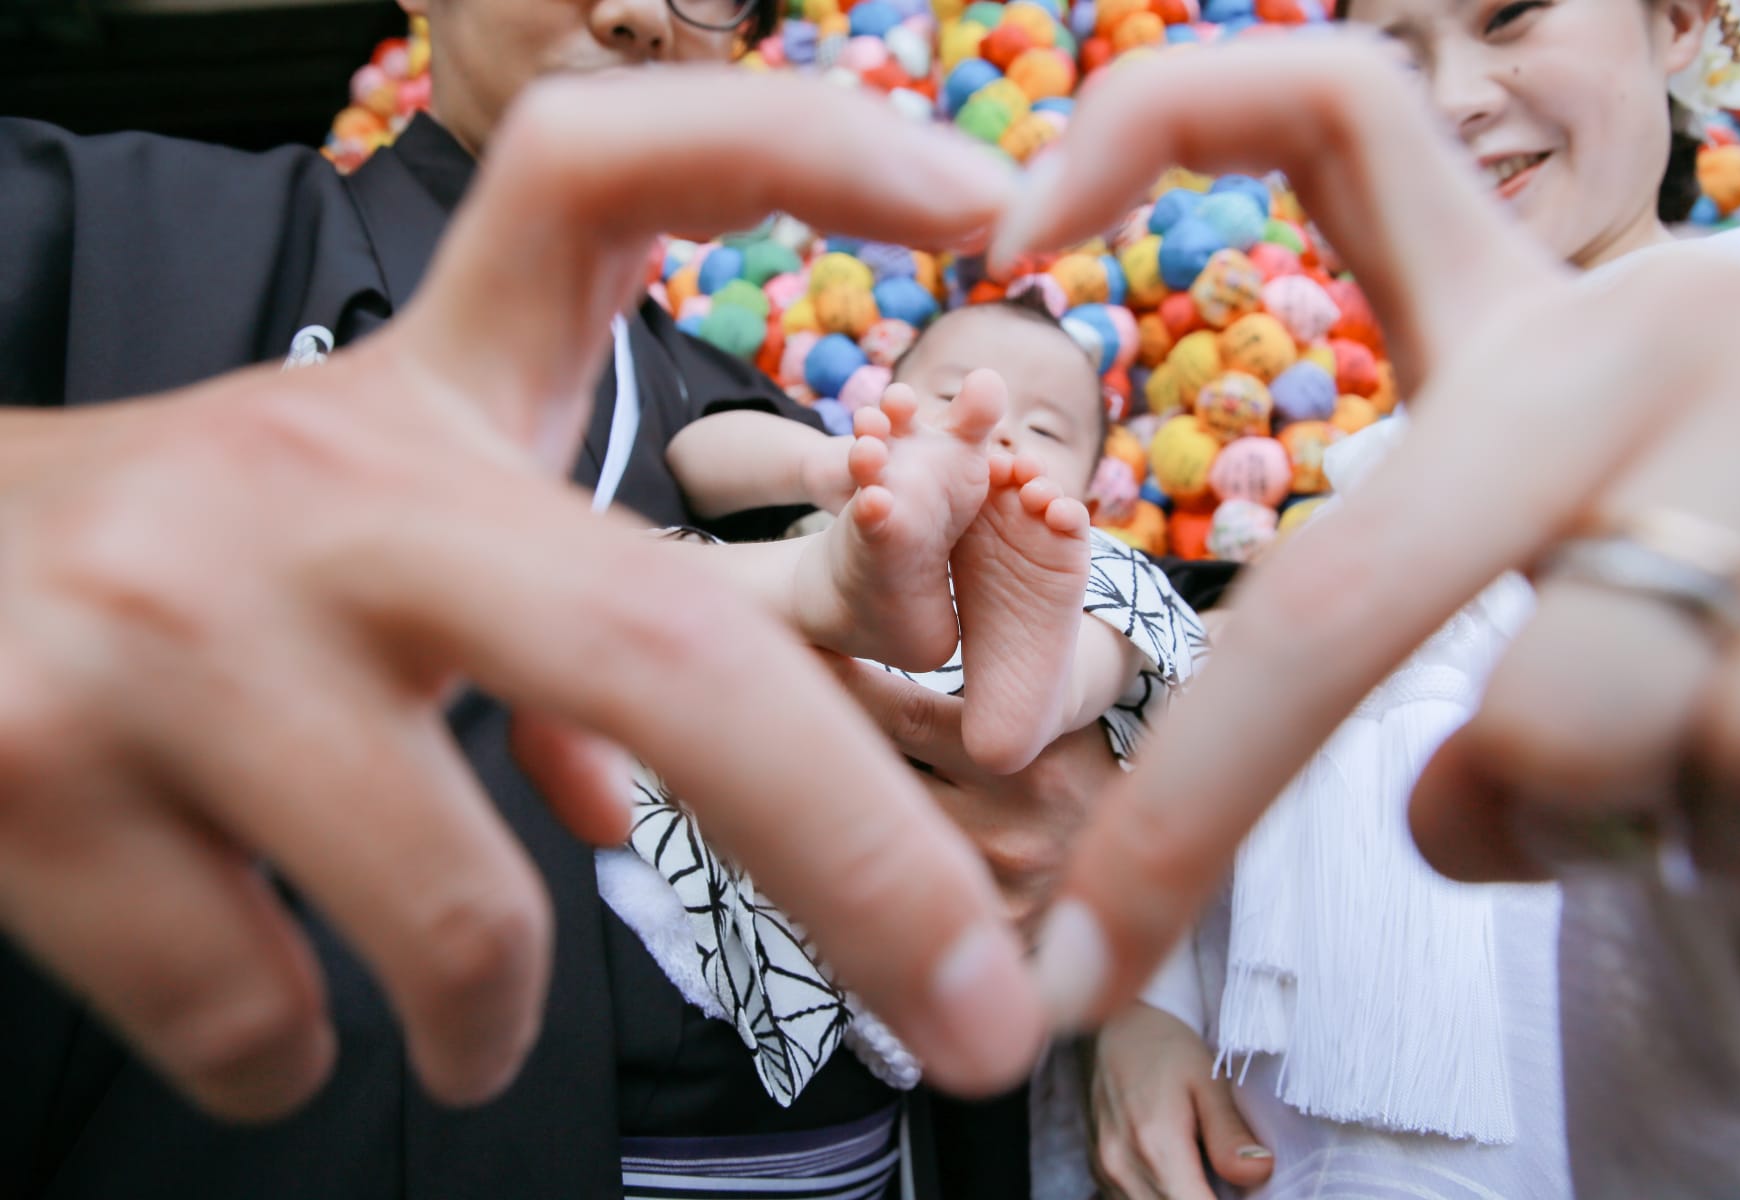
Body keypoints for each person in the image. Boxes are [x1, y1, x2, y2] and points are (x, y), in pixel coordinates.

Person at [0, 8, 1117, 1191]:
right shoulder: (146, 239)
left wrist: (1089, 844)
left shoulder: (757, 422)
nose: (639, 11)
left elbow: (1066, 646)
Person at [985, 22, 1740, 1200]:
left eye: (1512, 13)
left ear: (1677, 23)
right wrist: (1148, 1012)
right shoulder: (1370, 492)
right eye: (1398, 57)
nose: (1455, 98)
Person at [665, 297, 1203, 776]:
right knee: (676, 559)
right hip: (776, 749)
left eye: (1045, 430)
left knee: (1128, 599)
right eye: (951, 395)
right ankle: (843, 587)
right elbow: (690, 460)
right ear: (873, 413)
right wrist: (816, 463)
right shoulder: (848, 495)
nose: (999, 430)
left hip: (991, 718)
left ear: (1090, 495)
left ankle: (1051, 695)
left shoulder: (1068, 559)